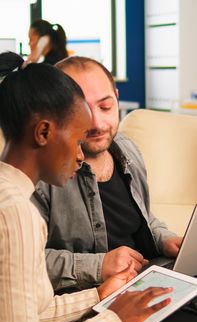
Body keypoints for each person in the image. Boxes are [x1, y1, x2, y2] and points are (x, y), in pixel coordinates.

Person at [0, 51, 178, 322]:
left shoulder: (12, 194)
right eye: (78, 137)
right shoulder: (16, 211)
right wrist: (113, 320)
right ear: (44, 131)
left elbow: (30, 313)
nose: (81, 155)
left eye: (105, 105)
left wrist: (100, 296)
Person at [32, 56, 182, 294]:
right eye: (79, 109)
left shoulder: (127, 149)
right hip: (87, 300)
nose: (97, 123)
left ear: (116, 97)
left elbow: (141, 216)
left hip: (144, 281)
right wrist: (99, 266)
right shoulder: (38, 173)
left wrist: (165, 239)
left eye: (105, 106)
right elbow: (23, 263)